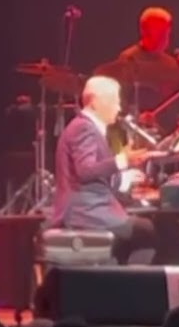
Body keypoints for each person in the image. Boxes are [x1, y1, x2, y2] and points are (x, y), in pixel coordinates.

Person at [47, 75, 159, 264]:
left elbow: (96, 175)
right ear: (96, 103)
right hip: (86, 212)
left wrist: (125, 178)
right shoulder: (84, 128)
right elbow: (85, 170)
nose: (119, 108)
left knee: (142, 229)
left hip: (91, 209)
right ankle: (133, 285)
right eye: (115, 101)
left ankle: (123, 280)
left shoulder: (87, 127)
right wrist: (123, 160)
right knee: (148, 230)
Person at [96, 6, 179, 149]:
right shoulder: (128, 60)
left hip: (171, 136)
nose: (164, 38)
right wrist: (137, 118)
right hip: (140, 137)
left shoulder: (171, 63)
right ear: (143, 31)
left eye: (166, 33)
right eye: (159, 33)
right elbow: (119, 103)